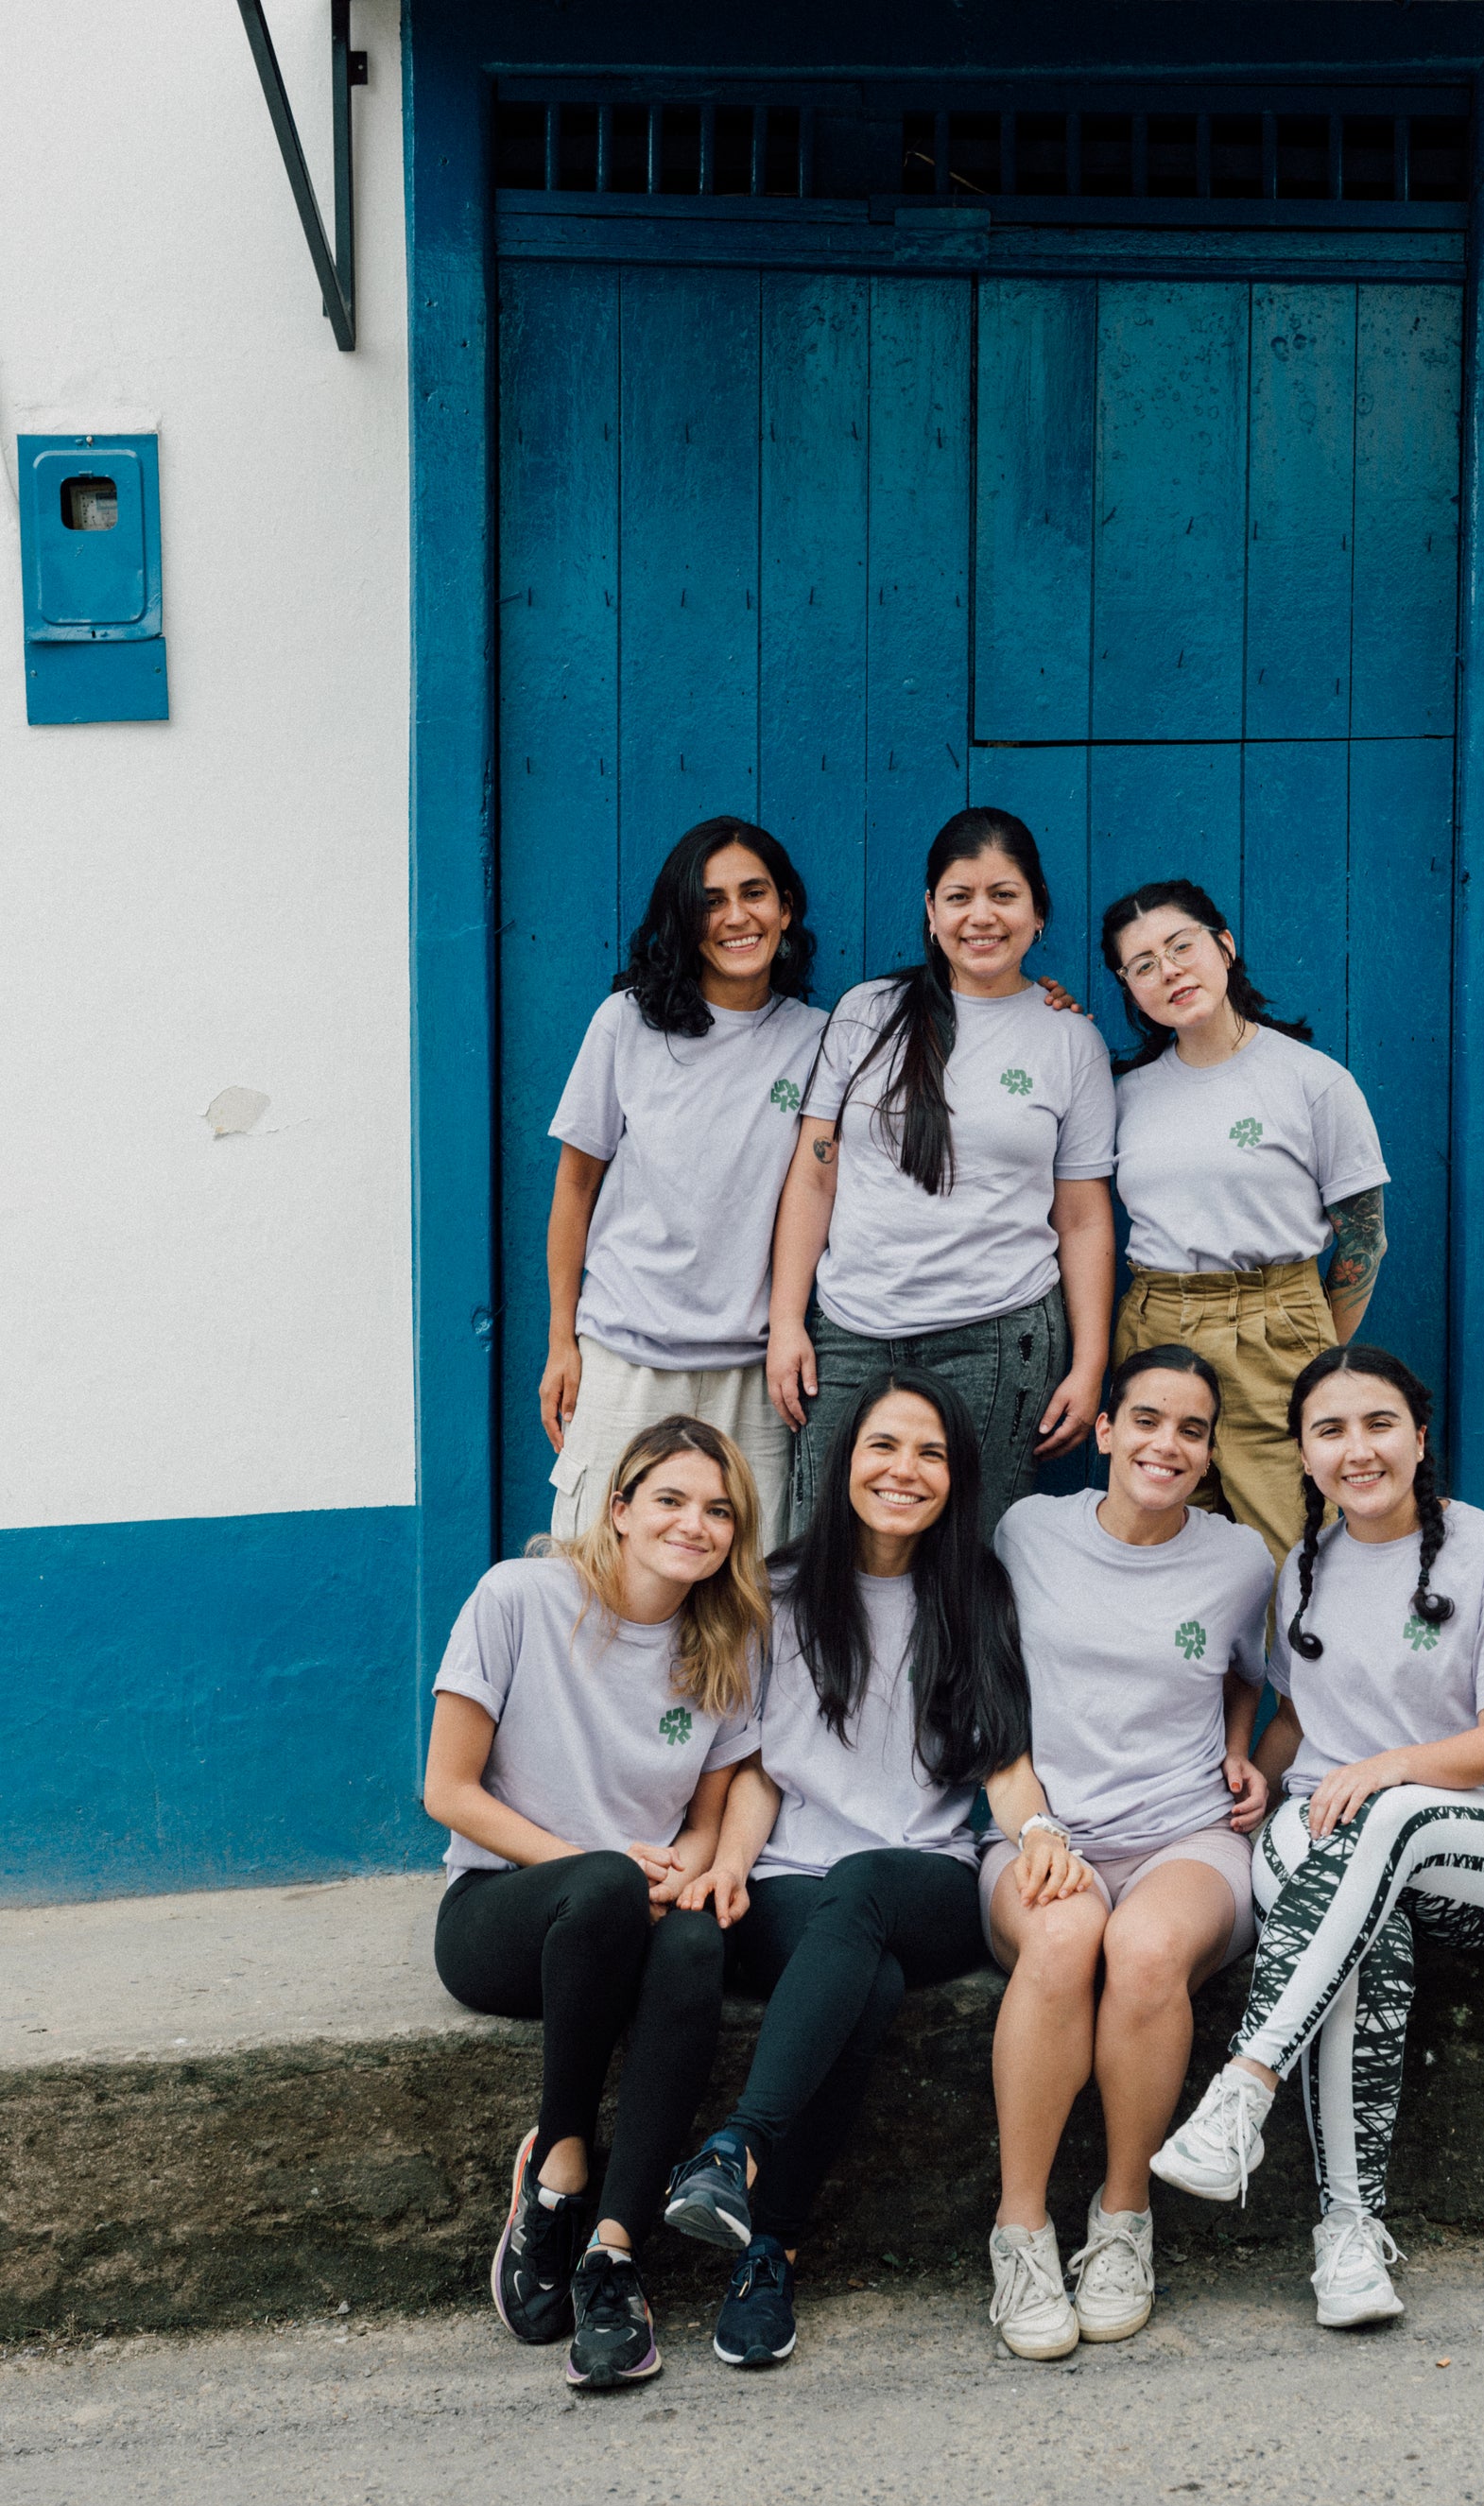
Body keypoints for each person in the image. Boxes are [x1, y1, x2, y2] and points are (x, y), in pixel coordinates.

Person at [1150, 1346, 1484, 2330]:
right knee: (1349, 1908)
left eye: (1377, 1424)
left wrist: (1387, 1766)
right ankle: (1345, 2234)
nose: (1357, 1449)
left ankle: (1242, 2085)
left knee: (1380, 1817)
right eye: (1328, 1431)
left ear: (1419, 1439)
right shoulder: (1301, 1567)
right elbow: (1302, 1725)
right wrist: (1258, 1763)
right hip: (1344, 1854)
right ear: (1301, 1454)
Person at [661, 1372, 1033, 2368]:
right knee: (857, 1980)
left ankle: (732, 2146)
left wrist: (1040, 1841)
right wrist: (731, 1868)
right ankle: (766, 2246)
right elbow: (753, 1767)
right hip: (795, 1885)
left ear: (955, 1478)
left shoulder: (976, 1592)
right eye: (882, 1446)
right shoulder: (772, 1594)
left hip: (925, 1880)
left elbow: (1003, 1760)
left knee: (866, 1887)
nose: (902, 1470)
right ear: (843, 1459)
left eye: (929, 1453)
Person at [425, 1418, 770, 2391]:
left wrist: (683, 1874)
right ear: (617, 1509)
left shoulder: (725, 1641)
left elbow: (705, 1820)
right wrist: (604, 1871)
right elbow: (447, 1791)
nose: (693, 1525)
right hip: (502, 1918)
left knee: (698, 1944)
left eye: (717, 1511)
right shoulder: (519, 1598)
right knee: (610, 1888)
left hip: (636, 1916)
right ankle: (559, 2161)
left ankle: (612, 2253)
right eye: (668, 1500)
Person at [979, 1345, 1276, 2359]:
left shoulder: (1239, 1559)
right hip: (1043, 1832)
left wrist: (1239, 1752)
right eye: (1145, 1419)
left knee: (1144, 1952)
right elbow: (986, 1697)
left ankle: (1121, 2220)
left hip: (1184, 1835)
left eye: (1190, 1430)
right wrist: (1035, 1828)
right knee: (1064, 1943)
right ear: (1103, 1430)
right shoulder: (1027, 1532)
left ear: (1207, 1454)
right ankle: (1019, 2231)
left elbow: (1245, 1671)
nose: (1166, 1443)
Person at [768, 807, 1117, 1541]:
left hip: (998, 1338)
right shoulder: (868, 1013)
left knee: (969, 1559)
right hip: (850, 1331)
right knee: (819, 1547)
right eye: (958, 896)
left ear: (1038, 912)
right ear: (931, 911)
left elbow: (1083, 1216)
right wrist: (785, 1322)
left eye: (1003, 895)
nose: (980, 916)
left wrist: (1090, 1365)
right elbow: (814, 1176)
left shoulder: (1072, 1040)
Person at [542, 817, 826, 1551]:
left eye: (754, 893)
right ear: (683, 918)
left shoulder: (822, 1038)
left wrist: (1040, 1003)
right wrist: (561, 1342)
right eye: (711, 900)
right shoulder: (626, 1025)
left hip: (753, 1374)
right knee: (594, 1578)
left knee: (750, 1596)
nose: (736, 916)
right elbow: (574, 1188)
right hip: (624, 1356)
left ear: (786, 907)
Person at [1103, 878, 1390, 1568]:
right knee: (1166, 1555)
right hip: (1154, 1328)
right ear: (1128, 986)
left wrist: (1318, 1362)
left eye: (1182, 946)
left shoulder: (1311, 1080)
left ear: (1225, 946)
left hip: (1276, 1326)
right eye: (1143, 964)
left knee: (1298, 1556)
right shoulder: (1123, 1093)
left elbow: (1364, 1237)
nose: (1168, 970)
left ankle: (1301, 1682)